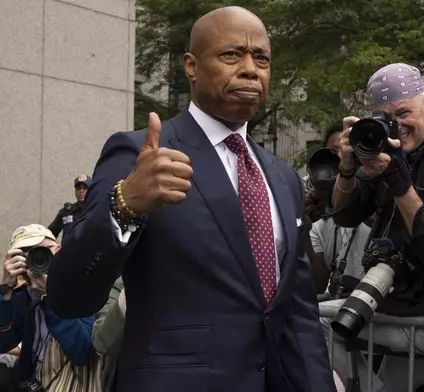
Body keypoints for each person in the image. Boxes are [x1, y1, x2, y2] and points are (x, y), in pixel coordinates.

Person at [46, 6, 335, 392]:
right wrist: (124, 206)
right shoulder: (139, 153)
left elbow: (298, 311)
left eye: (261, 57)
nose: (251, 68)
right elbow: (69, 296)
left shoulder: (281, 177)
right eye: (232, 54)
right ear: (191, 66)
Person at [325, 63, 424, 392]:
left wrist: (398, 182)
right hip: (402, 306)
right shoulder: (388, 150)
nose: (397, 126)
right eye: (386, 118)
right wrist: (346, 166)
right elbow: (344, 216)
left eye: (403, 112)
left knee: (316, 322)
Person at [0, 224, 98, 391]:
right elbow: (3, 344)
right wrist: (5, 292)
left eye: (41, 250)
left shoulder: (85, 289)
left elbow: (82, 352)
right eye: (26, 253)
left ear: (58, 250)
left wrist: (53, 296)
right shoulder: (27, 296)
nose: (37, 257)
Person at [305, 121, 370, 295]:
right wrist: (301, 224)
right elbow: (317, 284)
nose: (342, 160)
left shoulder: (377, 205)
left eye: (348, 150)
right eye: (335, 152)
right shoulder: (320, 223)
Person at [48, 175, 91, 245]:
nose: (81, 191)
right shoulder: (66, 212)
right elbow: (50, 234)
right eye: (78, 188)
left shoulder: (95, 211)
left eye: (85, 188)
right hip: (68, 254)